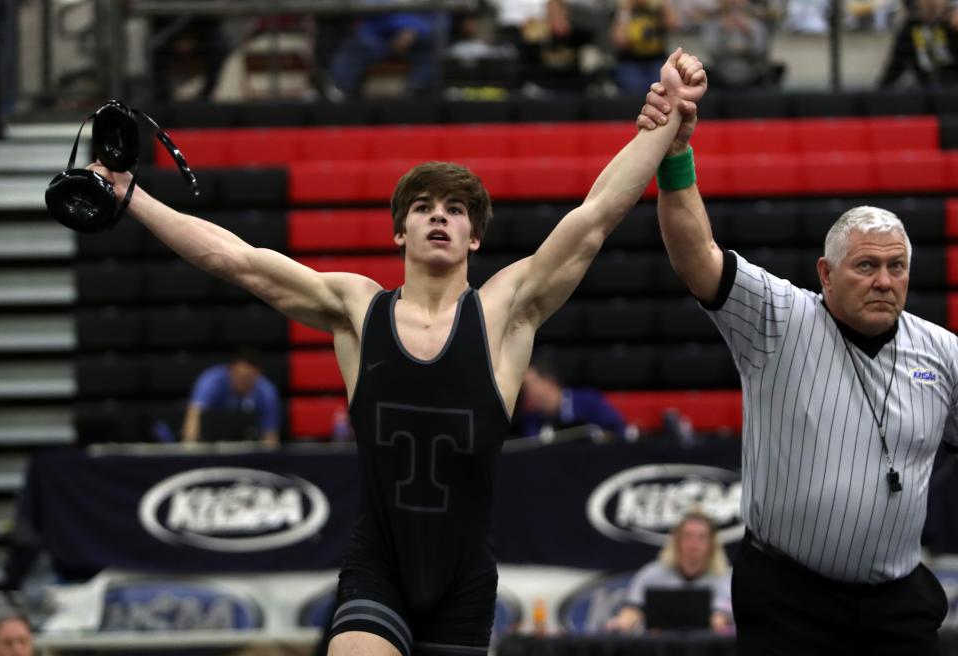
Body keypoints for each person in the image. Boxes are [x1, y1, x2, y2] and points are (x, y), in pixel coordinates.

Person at [85, 47, 705, 656]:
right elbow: (242, 263)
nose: (439, 217)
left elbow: (594, 217)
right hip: (377, 568)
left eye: (455, 210)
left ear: (475, 235)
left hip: (463, 583)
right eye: (423, 208)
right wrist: (130, 194)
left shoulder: (504, 313)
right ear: (399, 230)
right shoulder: (358, 311)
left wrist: (670, 117)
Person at [637, 61, 954, 654]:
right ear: (826, 275)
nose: (885, 280)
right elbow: (695, 254)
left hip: (897, 601)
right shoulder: (777, 318)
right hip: (788, 599)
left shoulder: (943, 354)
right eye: (866, 266)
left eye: (897, 267)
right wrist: (675, 151)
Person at [606, 511, 732, 633]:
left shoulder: (724, 578)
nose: (694, 543)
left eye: (702, 537)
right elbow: (633, 609)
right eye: (688, 535)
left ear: (712, 544)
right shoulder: (651, 574)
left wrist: (717, 621)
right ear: (677, 541)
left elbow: (722, 617)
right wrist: (622, 622)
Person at [326, 12, 448, 100]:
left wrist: (414, 30)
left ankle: (416, 90)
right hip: (379, 35)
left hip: (419, 38)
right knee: (356, 46)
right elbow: (370, 7)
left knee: (434, 47)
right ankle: (342, 93)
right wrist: (406, 26)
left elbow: (441, 20)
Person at [181, 351, 281, 447]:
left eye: (248, 378)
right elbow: (193, 417)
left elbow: (270, 436)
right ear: (231, 370)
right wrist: (190, 447)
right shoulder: (211, 381)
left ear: (258, 374)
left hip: (248, 449)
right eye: (240, 377)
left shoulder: (267, 391)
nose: (243, 382)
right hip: (209, 445)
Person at [519, 360, 626, 439]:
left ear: (549, 382)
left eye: (529, 386)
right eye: (524, 389)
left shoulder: (588, 400)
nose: (527, 393)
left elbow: (618, 429)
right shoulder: (532, 419)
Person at [610, 0, 679, 94]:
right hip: (630, 61)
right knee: (634, 89)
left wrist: (663, 4)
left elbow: (674, 25)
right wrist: (625, 11)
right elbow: (619, 40)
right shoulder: (625, 11)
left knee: (664, 90)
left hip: (657, 60)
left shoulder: (657, 9)